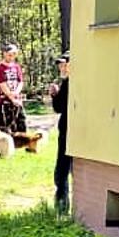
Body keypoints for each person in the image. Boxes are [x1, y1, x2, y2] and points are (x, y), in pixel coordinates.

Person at [48, 53, 72, 209]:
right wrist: (55, 94)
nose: (61, 68)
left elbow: (60, 107)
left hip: (70, 129)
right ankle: (62, 205)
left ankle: (62, 206)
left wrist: (56, 96)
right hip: (66, 128)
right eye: (60, 65)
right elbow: (59, 107)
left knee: (62, 171)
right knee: (62, 170)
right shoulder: (66, 82)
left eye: (64, 65)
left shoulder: (72, 83)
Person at [0, 44, 27, 136]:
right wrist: (11, 98)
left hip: (16, 98)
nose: (11, 57)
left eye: (14, 54)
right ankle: (4, 145)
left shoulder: (17, 67)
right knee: (6, 122)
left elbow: (20, 81)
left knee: (21, 119)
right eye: (9, 54)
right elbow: (2, 84)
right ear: (4, 54)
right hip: (4, 99)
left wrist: (16, 94)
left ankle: (21, 142)